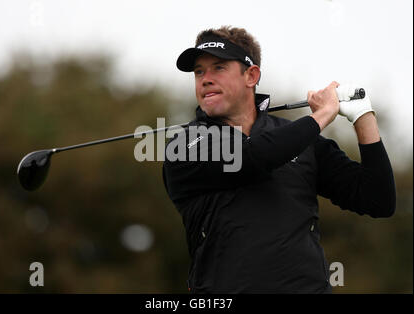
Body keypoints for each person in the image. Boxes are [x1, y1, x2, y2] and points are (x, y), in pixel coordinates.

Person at [162, 26, 396, 293]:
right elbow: (254, 157)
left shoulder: (299, 140)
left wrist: (363, 116)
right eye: (199, 72)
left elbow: (378, 200)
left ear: (251, 76)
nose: (205, 79)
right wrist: (322, 115)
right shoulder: (186, 144)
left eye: (218, 68)